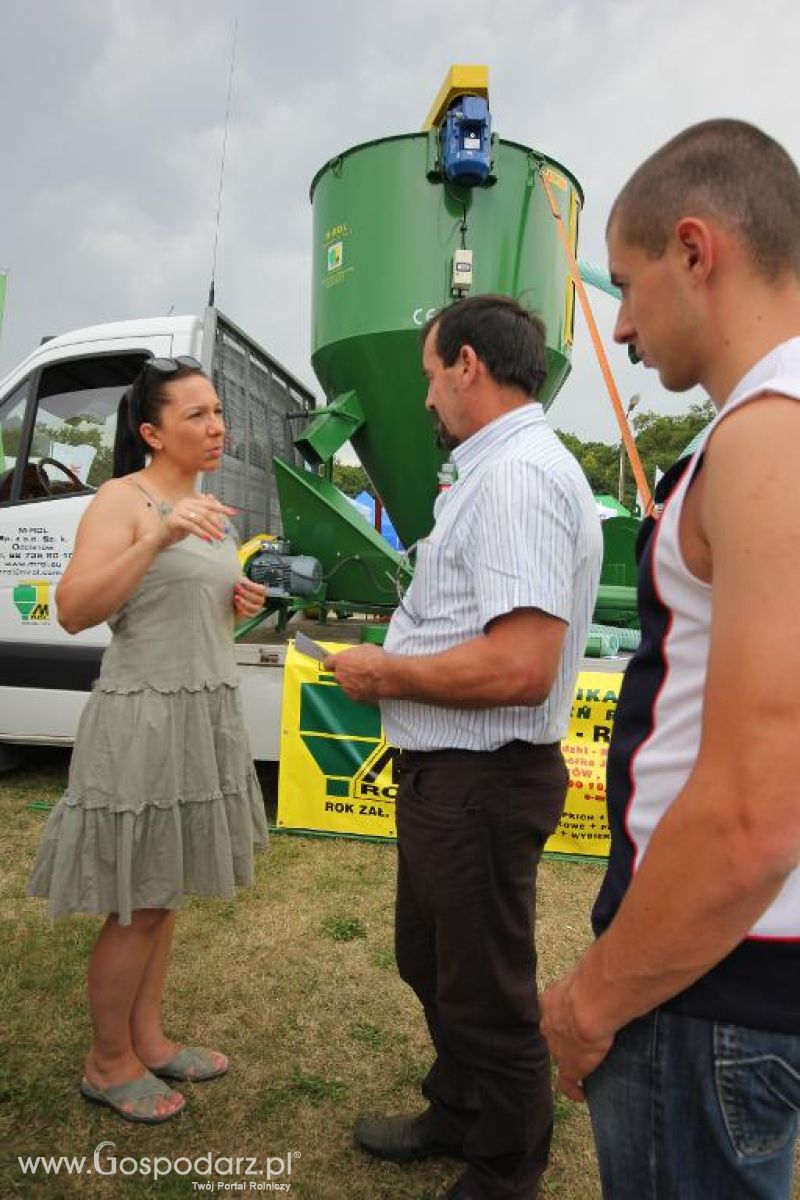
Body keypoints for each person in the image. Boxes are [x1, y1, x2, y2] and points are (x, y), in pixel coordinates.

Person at [540, 119, 800, 1200]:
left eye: (627, 283)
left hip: (704, 992)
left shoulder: (766, 436)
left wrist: (591, 998)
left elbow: (753, 807)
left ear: (695, 250)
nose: (623, 327)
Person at [324, 295, 602, 1200]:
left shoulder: (519, 474)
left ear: (469, 364)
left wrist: (386, 676)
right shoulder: (493, 470)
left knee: (486, 992)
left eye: (430, 374)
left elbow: (522, 663)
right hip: (456, 775)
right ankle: (460, 1108)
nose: (427, 396)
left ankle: (504, 1168)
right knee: (430, 958)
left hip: (483, 778)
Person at [28, 356, 269, 1124]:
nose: (216, 425)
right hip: (141, 721)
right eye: (196, 414)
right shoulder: (121, 500)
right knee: (135, 902)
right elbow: (73, 610)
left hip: (199, 716)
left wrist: (239, 604)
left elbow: (183, 617)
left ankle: (148, 1040)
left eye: (218, 411)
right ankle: (107, 1063)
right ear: (150, 431)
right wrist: (158, 539)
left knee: (162, 892)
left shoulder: (207, 504)